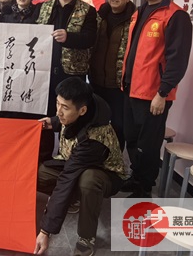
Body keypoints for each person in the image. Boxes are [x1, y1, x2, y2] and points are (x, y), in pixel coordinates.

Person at [121, 0, 193, 198]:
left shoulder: (175, 16)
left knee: (148, 144)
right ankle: (136, 177)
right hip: (132, 89)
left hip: (154, 95)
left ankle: (144, 188)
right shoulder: (139, 12)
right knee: (132, 139)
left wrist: (163, 93)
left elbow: (177, 60)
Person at [34, 77, 125, 255]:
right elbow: (66, 118)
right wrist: (52, 122)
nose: (59, 111)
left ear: (82, 110)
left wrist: (45, 231)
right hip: (74, 162)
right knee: (40, 174)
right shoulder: (81, 107)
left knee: (88, 180)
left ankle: (86, 237)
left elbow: (67, 177)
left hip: (105, 174)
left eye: (64, 107)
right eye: (57, 103)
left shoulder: (93, 140)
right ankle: (74, 199)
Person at [36, 0, 97, 160]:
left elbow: (90, 39)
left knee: (70, 115)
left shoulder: (87, 10)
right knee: (45, 116)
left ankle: (69, 158)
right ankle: (43, 159)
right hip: (44, 72)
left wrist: (69, 37)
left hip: (71, 73)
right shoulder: (44, 7)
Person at [88, 0, 136, 150]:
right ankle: (94, 157)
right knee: (94, 122)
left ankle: (116, 159)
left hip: (119, 85)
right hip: (96, 80)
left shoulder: (134, 21)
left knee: (118, 125)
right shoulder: (98, 17)